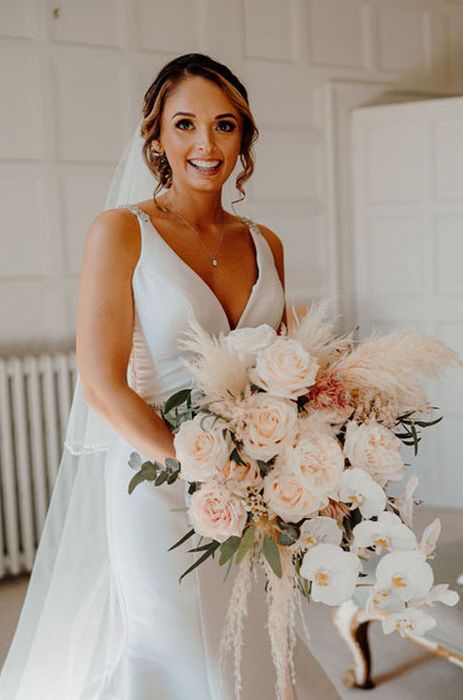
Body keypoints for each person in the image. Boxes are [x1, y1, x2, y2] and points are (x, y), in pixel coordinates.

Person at [0, 53, 337, 700]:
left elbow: (284, 370)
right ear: (154, 136)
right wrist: (201, 468)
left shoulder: (266, 241)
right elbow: (102, 384)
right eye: (184, 125)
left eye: (225, 125)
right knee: (182, 651)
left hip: (255, 484)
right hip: (158, 485)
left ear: (245, 136)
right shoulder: (121, 232)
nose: (205, 145)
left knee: (254, 649)